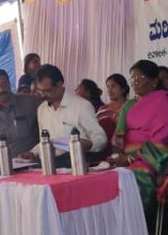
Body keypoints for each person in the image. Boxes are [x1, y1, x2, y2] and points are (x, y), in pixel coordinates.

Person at [110, 59, 168, 218]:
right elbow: (120, 134)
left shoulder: (163, 101)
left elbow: (162, 141)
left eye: (139, 78)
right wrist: (119, 156)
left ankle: (141, 233)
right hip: (128, 157)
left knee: (131, 181)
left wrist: (130, 160)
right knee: (106, 178)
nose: (134, 82)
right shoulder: (131, 104)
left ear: (154, 81)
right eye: (132, 78)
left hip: (152, 160)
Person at [19, 63, 107, 162]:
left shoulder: (81, 106)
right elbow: (45, 142)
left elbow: (101, 138)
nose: (43, 95)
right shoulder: (42, 109)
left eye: (47, 91)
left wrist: (89, 144)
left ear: (60, 84)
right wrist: (33, 152)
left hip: (77, 163)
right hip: (50, 165)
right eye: (40, 91)